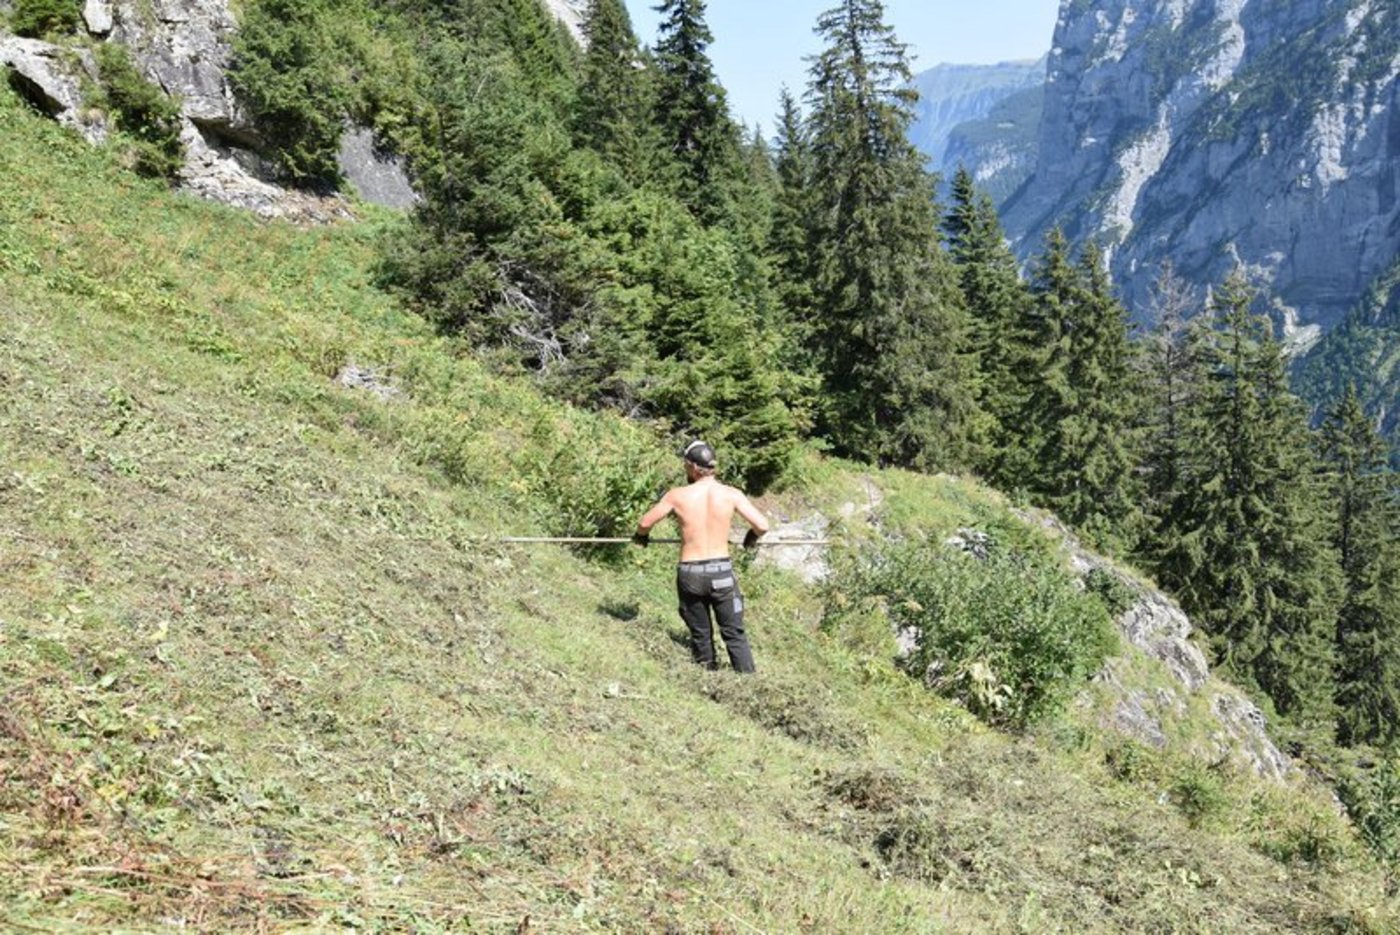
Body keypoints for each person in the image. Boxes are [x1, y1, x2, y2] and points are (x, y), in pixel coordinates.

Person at [633, 440, 769, 673]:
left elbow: (645, 523)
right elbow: (762, 525)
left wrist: (641, 537)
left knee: (701, 634)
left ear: (693, 467)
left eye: (685, 466)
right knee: (734, 634)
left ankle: (708, 679)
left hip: (691, 574)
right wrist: (751, 537)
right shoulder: (731, 494)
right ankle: (748, 683)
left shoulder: (677, 495)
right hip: (721, 574)